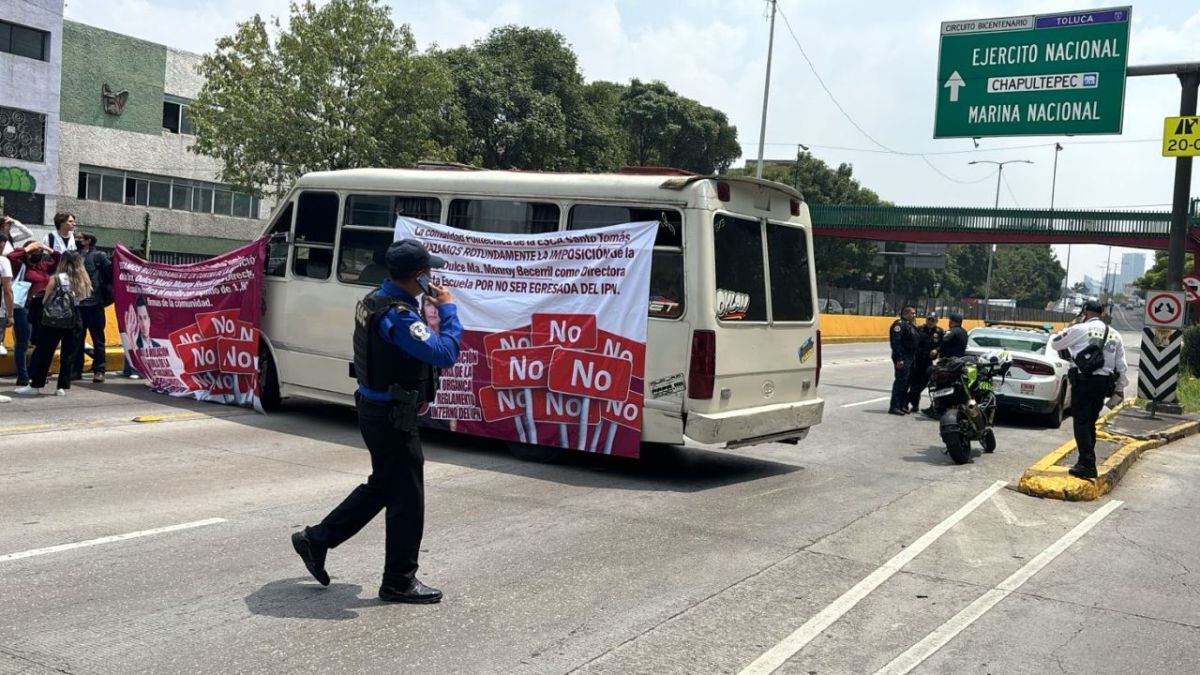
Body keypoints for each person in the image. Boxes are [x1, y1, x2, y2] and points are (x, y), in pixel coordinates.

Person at [292, 239, 463, 604]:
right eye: (428, 271)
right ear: (418, 276)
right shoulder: (397, 315)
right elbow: (445, 354)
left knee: (385, 488)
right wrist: (448, 311)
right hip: (391, 417)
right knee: (407, 499)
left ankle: (316, 539)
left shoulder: (377, 299)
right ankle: (399, 581)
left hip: (377, 410)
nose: (433, 276)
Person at [1049, 301, 1128, 480]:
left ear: (1085, 311)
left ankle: (1087, 463)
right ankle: (1085, 461)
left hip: (1084, 381)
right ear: (1101, 314)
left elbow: (1055, 343)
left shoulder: (1080, 329)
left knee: (1081, 422)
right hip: (1103, 383)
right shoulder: (1115, 335)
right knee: (1090, 421)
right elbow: (1121, 365)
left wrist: (1074, 323)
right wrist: (1120, 388)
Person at [16, 251, 91, 396]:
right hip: (74, 319)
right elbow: (83, 298)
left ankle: (36, 385)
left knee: (45, 352)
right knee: (68, 354)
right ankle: (62, 387)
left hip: (53, 320)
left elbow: (45, 301)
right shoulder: (83, 279)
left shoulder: (56, 278)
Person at [8, 242, 62, 355]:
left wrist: (45, 247)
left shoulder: (43, 265)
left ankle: (39, 367)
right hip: (26, 306)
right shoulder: (20, 265)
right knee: (25, 338)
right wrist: (28, 248)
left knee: (41, 339)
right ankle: (23, 370)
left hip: (42, 307)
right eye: (34, 252)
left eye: (39, 252)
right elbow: (11, 256)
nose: (37, 254)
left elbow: (59, 259)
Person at [72, 233, 112, 383]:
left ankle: (99, 370)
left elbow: (109, 275)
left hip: (95, 304)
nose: (77, 241)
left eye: (80, 238)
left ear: (88, 241)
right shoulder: (74, 256)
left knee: (98, 339)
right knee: (77, 339)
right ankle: (77, 370)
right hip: (78, 304)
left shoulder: (99, 256)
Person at [907, 313, 944, 413]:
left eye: (933, 320)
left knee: (923, 383)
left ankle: (906, 399)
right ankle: (915, 405)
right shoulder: (919, 329)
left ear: (936, 321)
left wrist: (936, 350)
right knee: (914, 383)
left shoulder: (939, 332)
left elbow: (943, 345)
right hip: (917, 360)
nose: (930, 322)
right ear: (926, 320)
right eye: (929, 319)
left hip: (928, 361)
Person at [888, 305, 920, 416]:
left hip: (910, 356)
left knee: (907, 382)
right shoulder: (899, 325)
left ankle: (902, 405)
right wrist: (899, 358)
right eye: (912, 313)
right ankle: (894, 406)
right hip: (903, 356)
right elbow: (896, 343)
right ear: (905, 314)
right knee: (901, 381)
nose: (914, 315)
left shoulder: (910, 325)